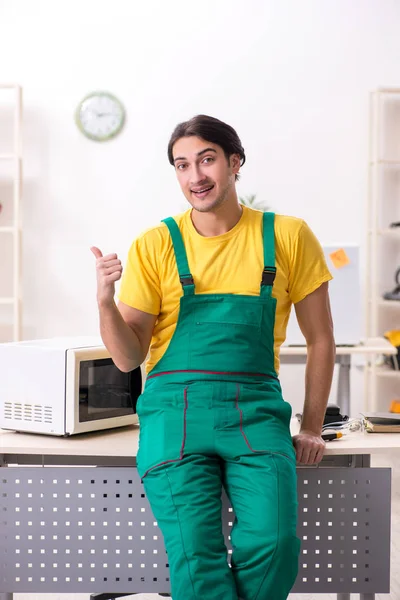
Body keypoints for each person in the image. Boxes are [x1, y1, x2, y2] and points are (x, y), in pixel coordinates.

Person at [91, 114, 336, 600]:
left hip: (256, 411)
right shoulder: (157, 243)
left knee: (275, 542)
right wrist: (104, 301)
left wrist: (311, 427)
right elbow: (126, 357)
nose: (195, 176)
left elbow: (321, 339)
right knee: (194, 551)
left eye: (206, 160)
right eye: (182, 165)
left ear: (235, 162)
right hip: (172, 414)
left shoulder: (288, 236)